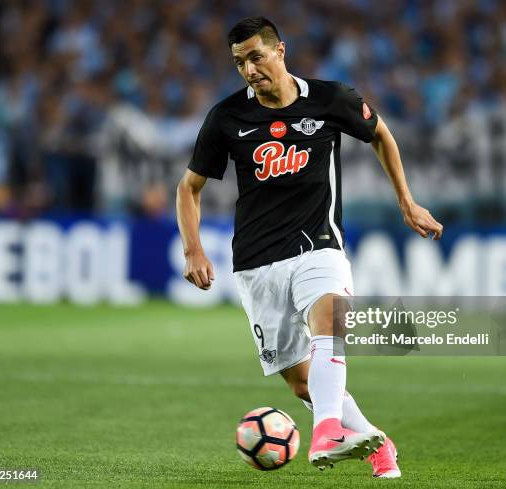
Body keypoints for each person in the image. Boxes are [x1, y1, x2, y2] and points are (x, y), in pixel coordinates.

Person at [176, 16, 443, 478]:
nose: (249, 69)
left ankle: (327, 432)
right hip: (257, 262)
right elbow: (189, 188)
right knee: (303, 383)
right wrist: (193, 250)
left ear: (281, 52)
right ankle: (377, 444)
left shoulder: (330, 98)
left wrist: (406, 200)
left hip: (319, 245)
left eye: (256, 57)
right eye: (240, 62)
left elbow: (380, 134)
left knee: (330, 321)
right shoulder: (227, 117)